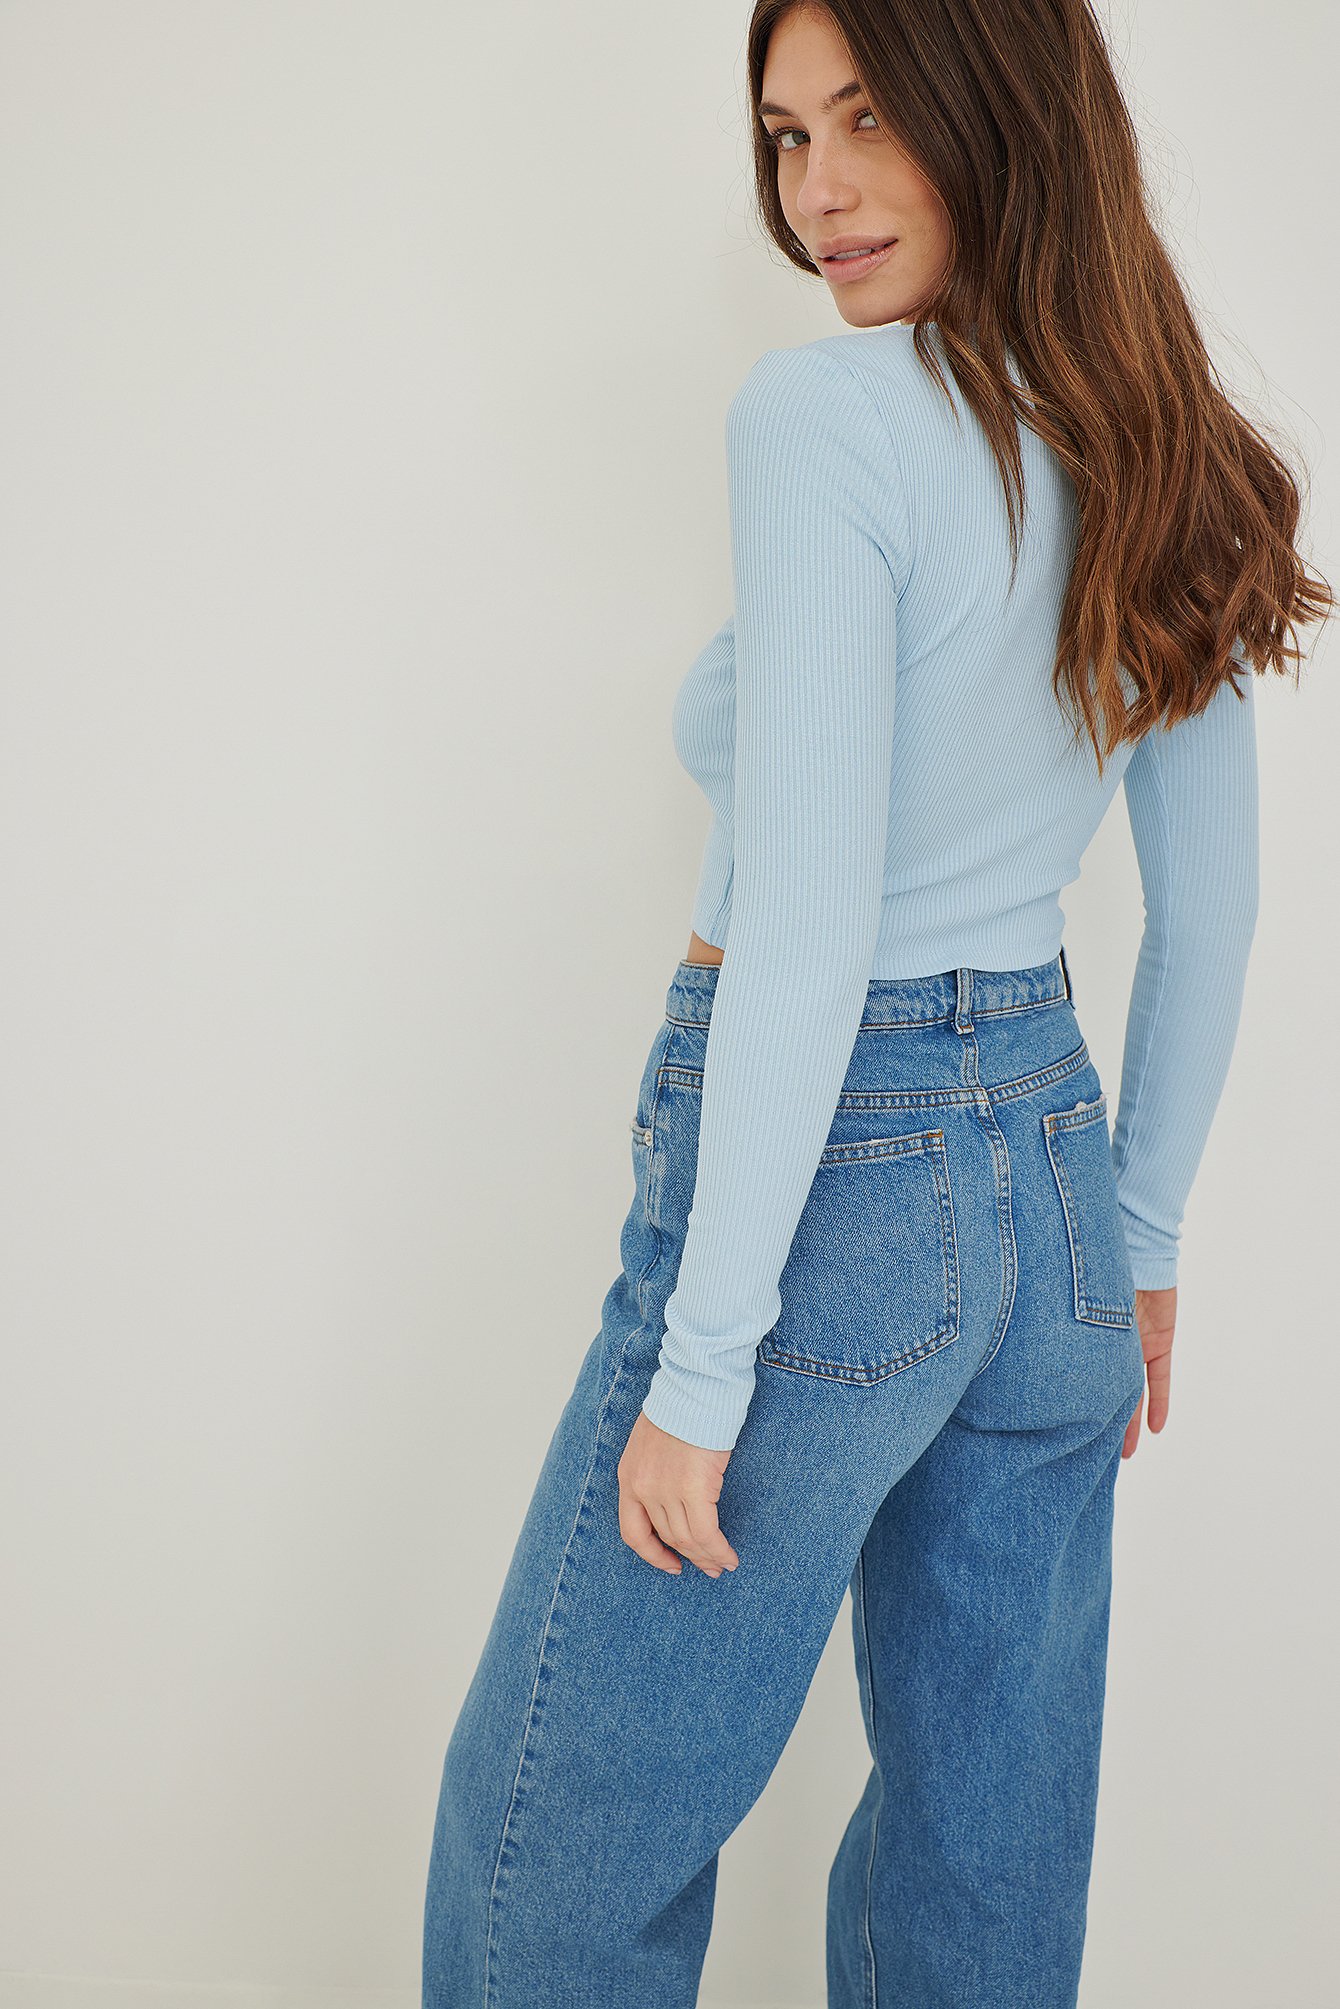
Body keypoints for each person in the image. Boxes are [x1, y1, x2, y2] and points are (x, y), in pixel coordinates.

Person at [422, 3, 1331, 2003]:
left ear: (992, 111)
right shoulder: (1154, 431)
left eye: (864, 120)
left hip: (831, 1186)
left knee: (547, 1862)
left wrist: (705, 1364)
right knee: (980, 1876)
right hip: (1055, 1195)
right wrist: (1137, 1242)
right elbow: (1214, 911)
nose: (817, 191)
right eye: (782, 136)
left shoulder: (824, 421)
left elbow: (815, 924)